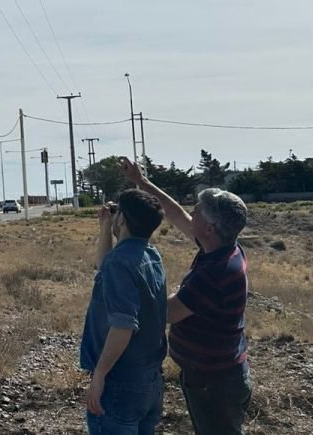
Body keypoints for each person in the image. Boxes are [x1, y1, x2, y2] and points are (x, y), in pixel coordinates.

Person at [119, 157, 252, 435]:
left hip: (213, 382)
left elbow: (166, 313)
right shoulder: (219, 246)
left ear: (209, 228)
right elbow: (176, 213)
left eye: (199, 211)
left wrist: (132, 281)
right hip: (217, 374)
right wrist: (141, 182)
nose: (193, 212)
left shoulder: (215, 271)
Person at [80, 188, 167, 435]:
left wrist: (99, 375)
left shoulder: (119, 263)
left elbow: (123, 326)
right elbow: (104, 269)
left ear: (123, 219)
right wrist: (105, 228)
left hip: (120, 381)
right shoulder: (150, 255)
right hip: (149, 379)